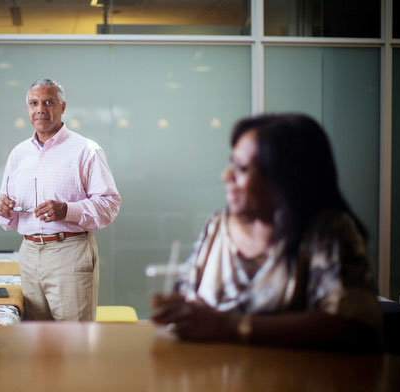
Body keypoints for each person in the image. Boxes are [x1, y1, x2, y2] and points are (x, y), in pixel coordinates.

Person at [151, 113, 381, 351]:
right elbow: (187, 297)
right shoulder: (217, 226)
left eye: (241, 168)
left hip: (293, 385)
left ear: (284, 179)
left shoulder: (328, 231)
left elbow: (354, 327)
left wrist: (230, 326)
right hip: (213, 381)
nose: (226, 176)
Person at [0, 78, 121, 321]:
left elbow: (110, 204)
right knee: (37, 343)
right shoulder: (18, 154)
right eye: (33, 103)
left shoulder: (86, 150)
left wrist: (67, 211)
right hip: (29, 253)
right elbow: (5, 215)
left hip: (69, 252)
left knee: (74, 343)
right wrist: (3, 209)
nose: (40, 108)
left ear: (62, 107)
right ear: (27, 108)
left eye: (48, 102)